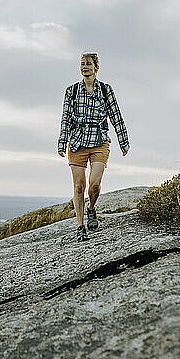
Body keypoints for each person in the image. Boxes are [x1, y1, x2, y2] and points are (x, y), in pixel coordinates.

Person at [57, 52, 130, 242]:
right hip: (77, 141)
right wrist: (62, 142)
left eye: (88, 64)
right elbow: (65, 119)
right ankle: (81, 226)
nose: (85, 67)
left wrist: (123, 141)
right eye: (82, 64)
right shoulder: (71, 91)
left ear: (96, 68)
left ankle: (91, 209)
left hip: (99, 140)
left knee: (94, 185)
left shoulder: (106, 90)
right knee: (79, 186)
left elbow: (116, 116)